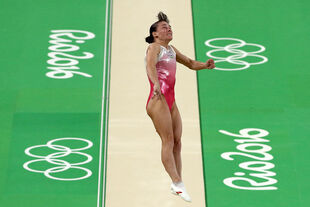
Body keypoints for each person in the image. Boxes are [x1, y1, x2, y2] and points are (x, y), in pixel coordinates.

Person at [145, 12, 215, 202]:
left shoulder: (171, 50)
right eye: (163, 28)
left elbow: (191, 63)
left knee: (177, 141)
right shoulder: (154, 47)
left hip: (170, 101)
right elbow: (150, 66)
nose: (168, 29)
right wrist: (156, 84)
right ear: (155, 34)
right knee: (167, 141)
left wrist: (205, 66)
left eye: (169, 27)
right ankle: (177, 182)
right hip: (157, 100)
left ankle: (177, 183)